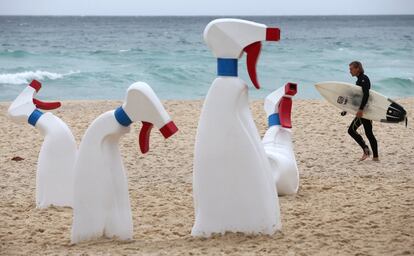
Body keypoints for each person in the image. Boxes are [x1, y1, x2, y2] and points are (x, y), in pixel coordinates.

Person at [342, 61, 379, 161]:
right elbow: (357, 98)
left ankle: (367, 151)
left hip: (364, 112)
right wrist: (346, 109)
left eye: (351, 69)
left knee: (352, 130)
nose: (350, 71)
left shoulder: (364, 79)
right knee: (368, 133)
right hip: (364, 111)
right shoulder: (359, 80)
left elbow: (366, 95)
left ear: (357, 68)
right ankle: (375, 156)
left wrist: (361, 110)